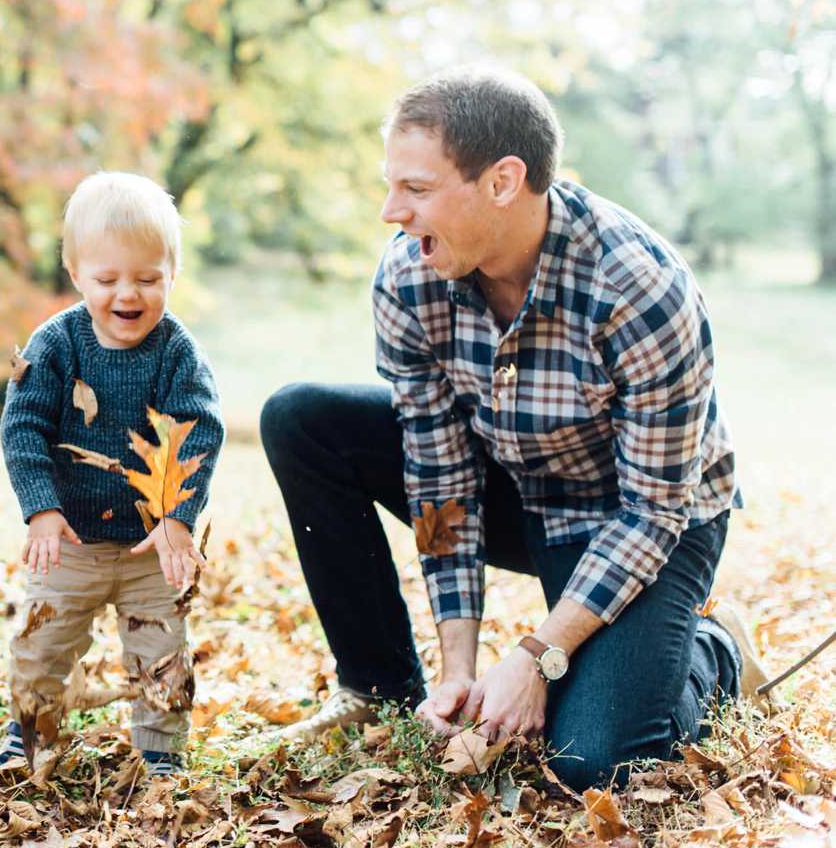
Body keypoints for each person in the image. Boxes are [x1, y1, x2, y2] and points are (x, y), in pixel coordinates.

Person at [259, 66, 768, 791]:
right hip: (518, 485)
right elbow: (438, 476)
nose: (390, 212)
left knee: (597, 760)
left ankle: (713, 648)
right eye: (392, 185)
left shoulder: (640, 288)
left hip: (646, 520)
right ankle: (379, 686)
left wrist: (536, 654)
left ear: (502, 181)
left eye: (417, 189)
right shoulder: (409, 278)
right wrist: (460, 667)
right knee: (301, 417)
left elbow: (653, 513)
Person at [0, 172, 226, 777]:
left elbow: (199, 430)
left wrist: (180, 516)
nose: (130, 293)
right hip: (70, 541)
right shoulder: (55, 345)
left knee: (162, 650)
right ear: (76, 274)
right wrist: (41, 507)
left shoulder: (177, 351)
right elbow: (23, 428)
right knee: (42, 644)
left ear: (171, 273)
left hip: (153, 546)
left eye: (149, 279)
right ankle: (28, 733)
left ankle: (160, 752)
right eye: (108, 279)